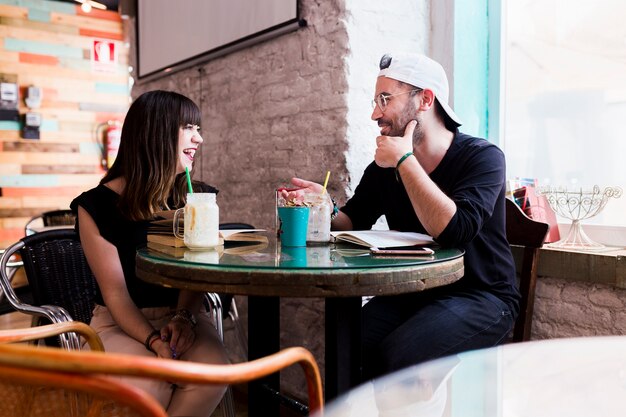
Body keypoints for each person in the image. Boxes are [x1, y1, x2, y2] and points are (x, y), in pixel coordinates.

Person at [286, 52, 519, 379]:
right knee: (349, 342)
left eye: (385, 99)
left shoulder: (483, 157)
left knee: (399, 357)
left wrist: (404, 159)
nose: (374, 114)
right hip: (417, 290)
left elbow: (455, 230)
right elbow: (353, 221)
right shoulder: (385, 167)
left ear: (425, 99)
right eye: (375, 100)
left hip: (483, 296)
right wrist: (325, 205)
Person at [71, 90, 228, 416]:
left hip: (183, 315)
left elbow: (197, 274)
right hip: (118, 323)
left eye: (198, 128)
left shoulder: (197, 198)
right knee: (150, 383)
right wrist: (154, 340)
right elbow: (115, 294)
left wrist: (183, 318)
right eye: (189, 127)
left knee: (212, 374)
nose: (199, 138)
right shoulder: (94, 207)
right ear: (156, 133)